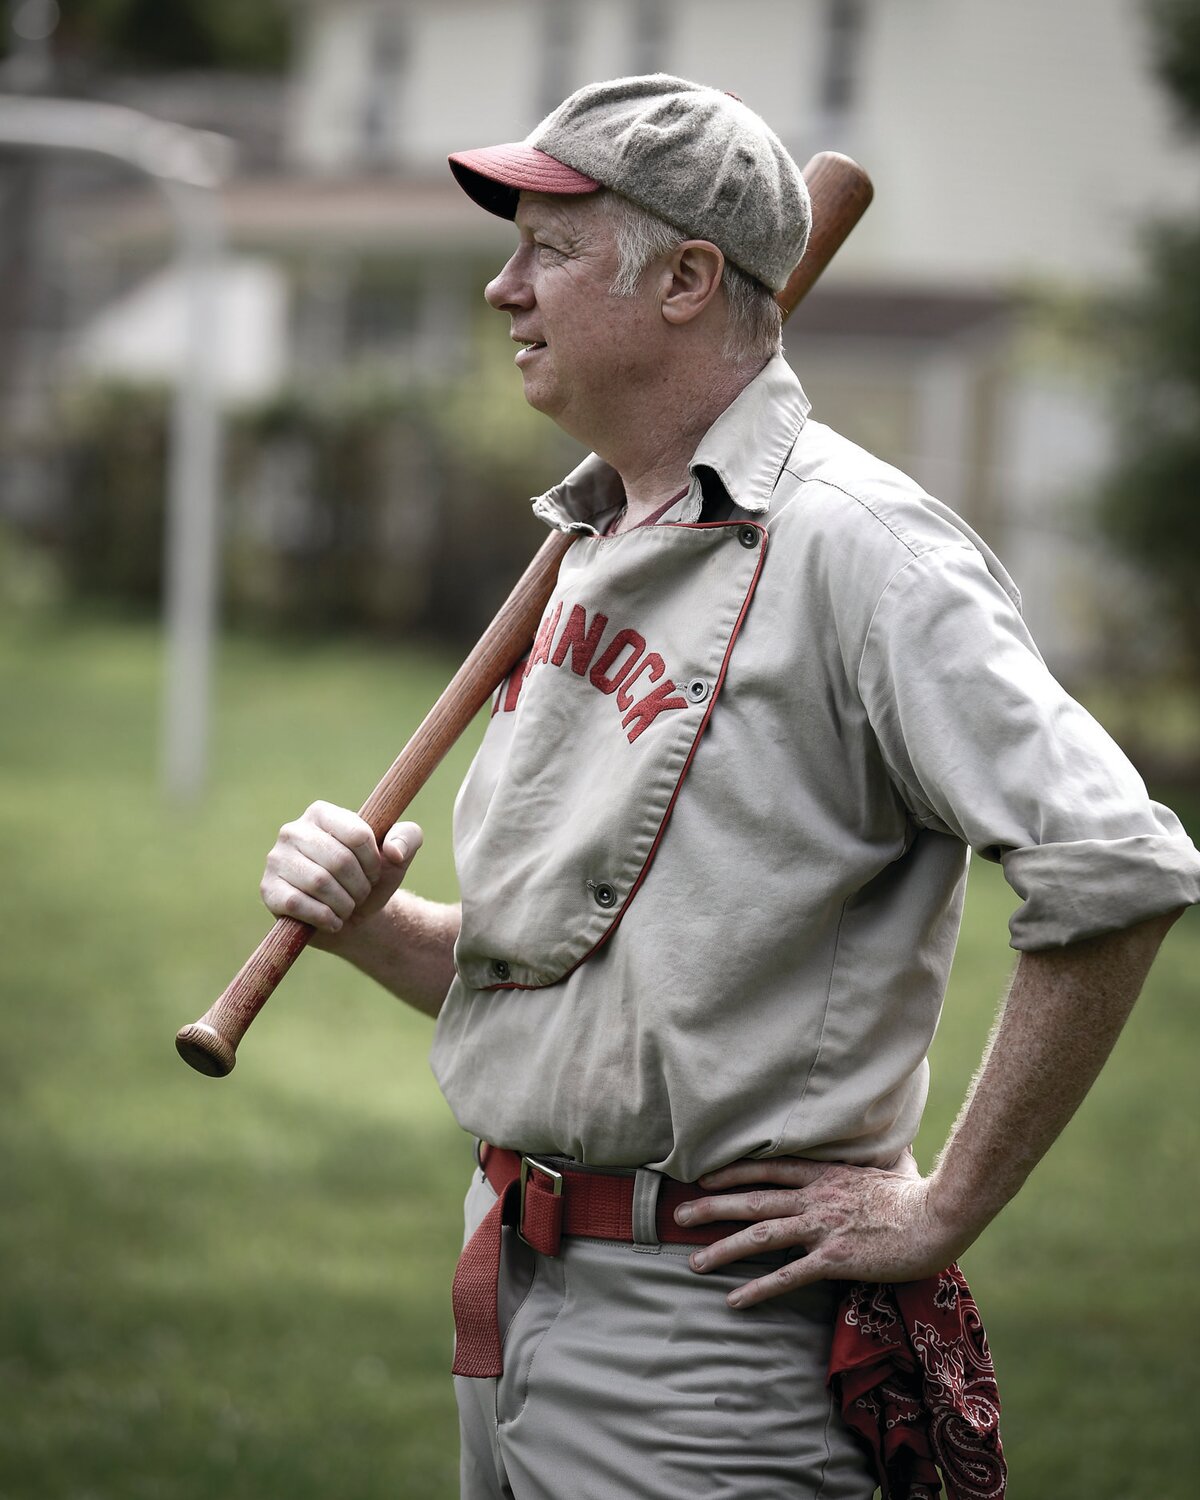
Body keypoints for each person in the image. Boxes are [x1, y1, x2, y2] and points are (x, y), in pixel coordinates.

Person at [259, 76, 1200, 1500]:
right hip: (511, 1285)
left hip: (714, 1340)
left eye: (549, 250)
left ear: (689, 279)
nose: (504, 289)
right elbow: (603, 986)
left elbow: (1114, 866)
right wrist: (376, 927)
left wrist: (945, 1205)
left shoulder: (864, 551)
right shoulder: (592, 543)